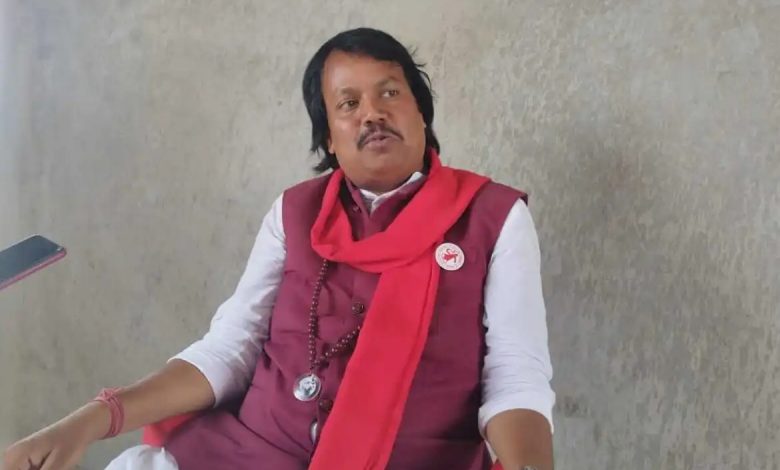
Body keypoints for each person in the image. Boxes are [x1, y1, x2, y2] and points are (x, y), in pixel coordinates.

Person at [2, 28, 555, 470]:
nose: (372, 113)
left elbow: (515, 374)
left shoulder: (493, 216)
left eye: (390, 92)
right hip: (244, 454)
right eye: (348, 103)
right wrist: (89, 421)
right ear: (329, 137)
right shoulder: (294, 212)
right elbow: (229, 349)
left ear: (420, 112)